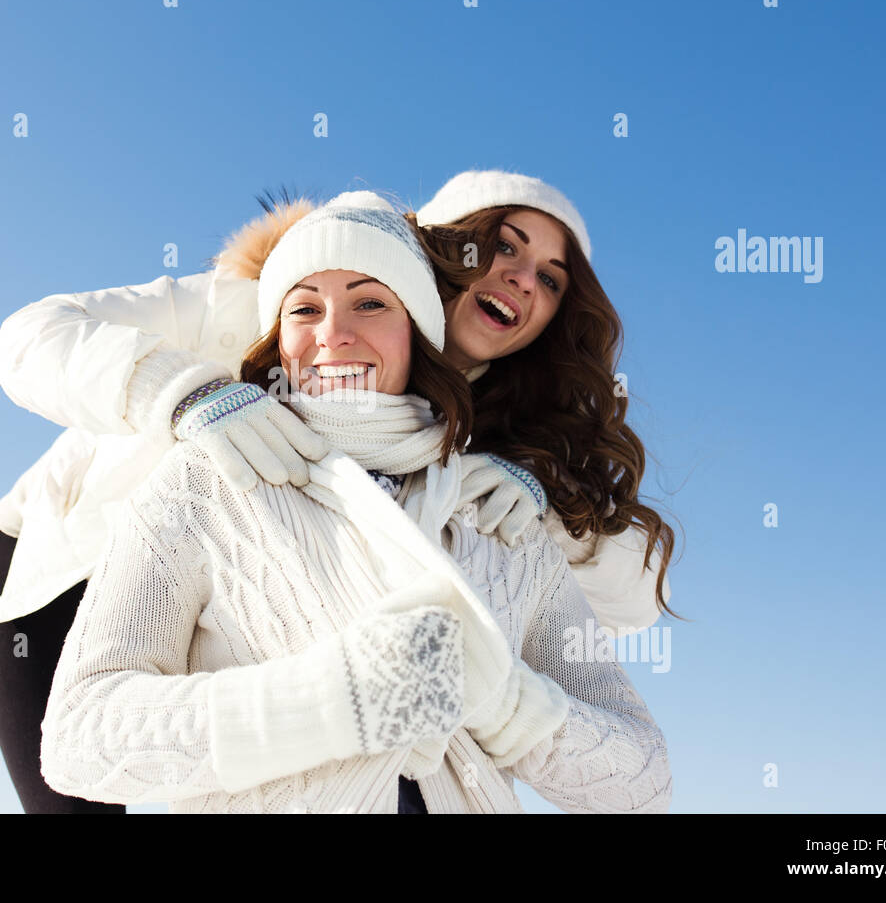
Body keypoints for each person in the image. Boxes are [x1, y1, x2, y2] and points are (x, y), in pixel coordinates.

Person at [39, 191, 672, 813]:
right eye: (305, 310)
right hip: (45, 568)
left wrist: (505, 704)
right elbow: (78, 739)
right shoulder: (207, 479)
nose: (335, 334)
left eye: (371, 303)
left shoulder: (494, 518)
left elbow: (644, 788)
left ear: (418, 331)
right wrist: (329, 703)